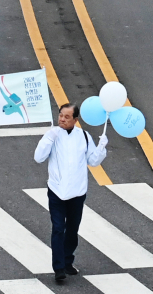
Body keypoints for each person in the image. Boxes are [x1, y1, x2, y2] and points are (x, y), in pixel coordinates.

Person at [33, 102, 109, 284]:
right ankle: (59, 268)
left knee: (72, 229)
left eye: (67, 117)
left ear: (75, 120)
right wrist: (48, 138)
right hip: (57, 191)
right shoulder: (53, 134)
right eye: (60, 115)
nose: (62, 119)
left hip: (77, 192)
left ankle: (68, 261)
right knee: (58, 228)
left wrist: (101, 147)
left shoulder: (83, 136)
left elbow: (93, 161)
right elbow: (38, 157)